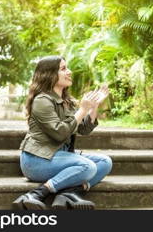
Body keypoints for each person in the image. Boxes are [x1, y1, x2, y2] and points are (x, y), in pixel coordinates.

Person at [12, 55, 112, 210]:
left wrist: (93, 107)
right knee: (88, 166)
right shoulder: (42, 101)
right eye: (63, 69)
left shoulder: (67, 101)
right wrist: (82, 110)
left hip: (59, 157)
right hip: (37, 160)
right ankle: (37, 193)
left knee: (105, 162)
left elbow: (83, 129)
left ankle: (67, 194)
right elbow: (60, 133)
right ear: (50, 74)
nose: (69, 72)